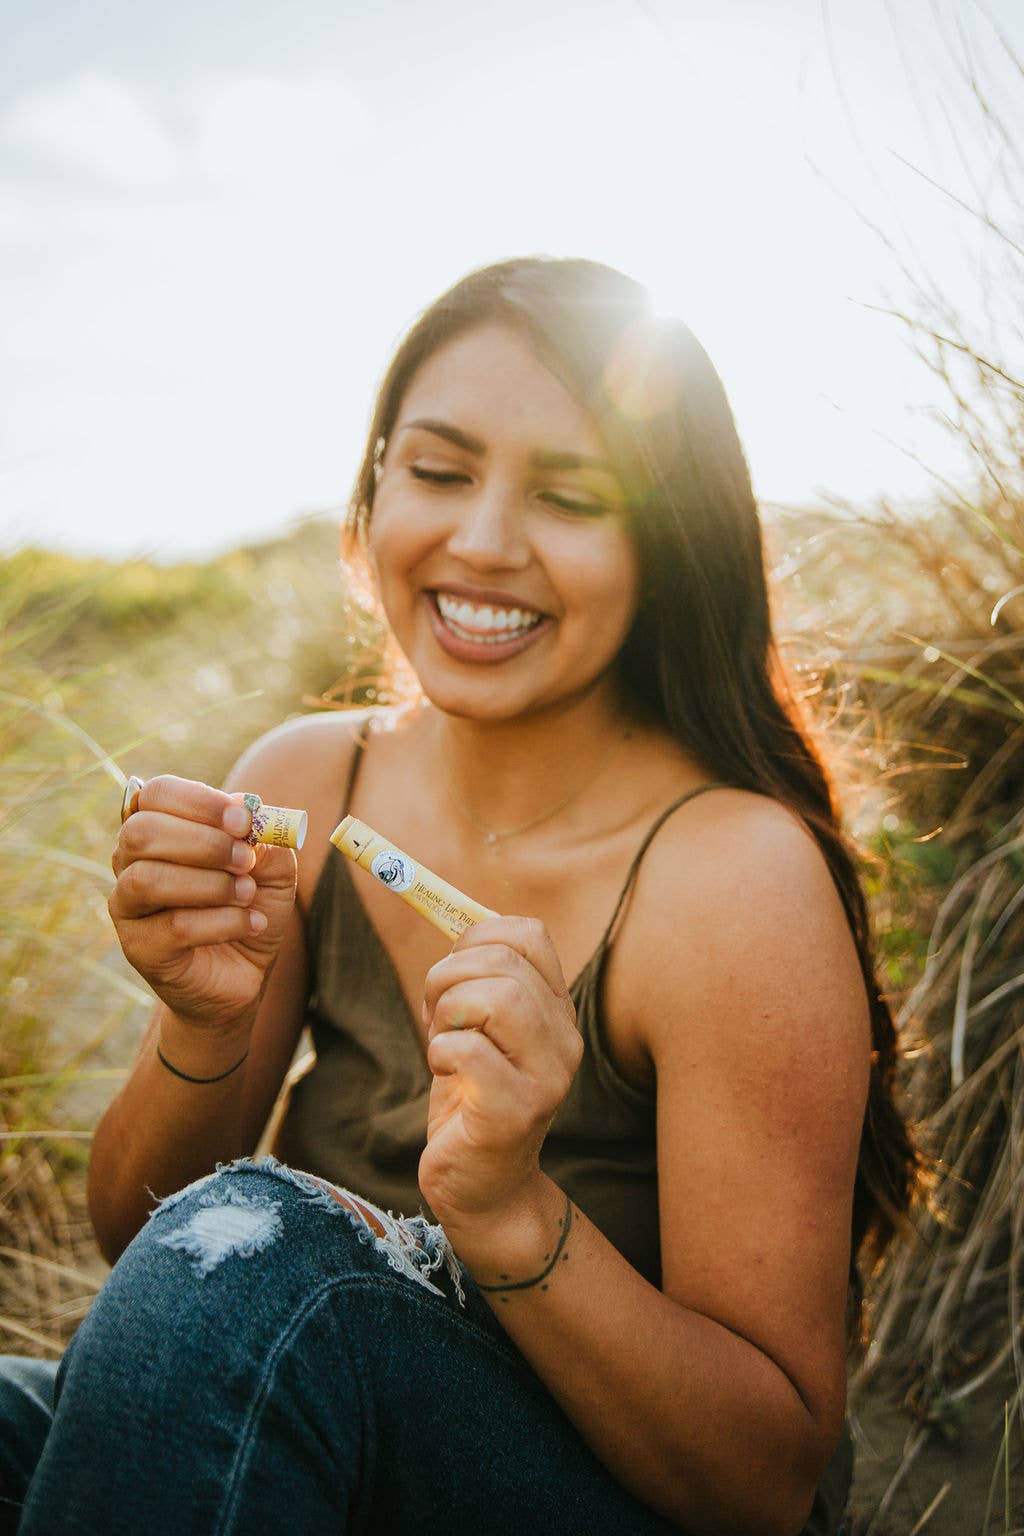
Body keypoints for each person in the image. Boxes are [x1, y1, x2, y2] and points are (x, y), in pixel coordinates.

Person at [3, 257, 920, 1535]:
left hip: (604, 1489)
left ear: (668, 541)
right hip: (305, 1410)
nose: (483, 541)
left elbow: (763, 1484)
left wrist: (503, 1207)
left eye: (569, 495)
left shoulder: (730, 878)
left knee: (258, 1256)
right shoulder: (309, 779)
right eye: (438, 472)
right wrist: (203, 1030)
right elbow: (140, 1241)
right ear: (374, 484)